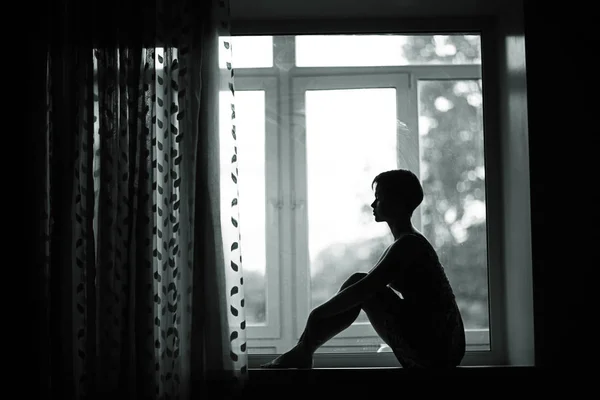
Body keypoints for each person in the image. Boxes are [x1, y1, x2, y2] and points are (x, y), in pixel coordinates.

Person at [260, 169, 466, 369]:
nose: (373, 203)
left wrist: (316, 314)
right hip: (444, 345)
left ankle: (302, 352)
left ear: (398, 203)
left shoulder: (408, 245)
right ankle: (303, 351)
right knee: (359, 283)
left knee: (359, 285)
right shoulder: (408, 241)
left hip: (438, 349)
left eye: (379, 197)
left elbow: (362, 290)